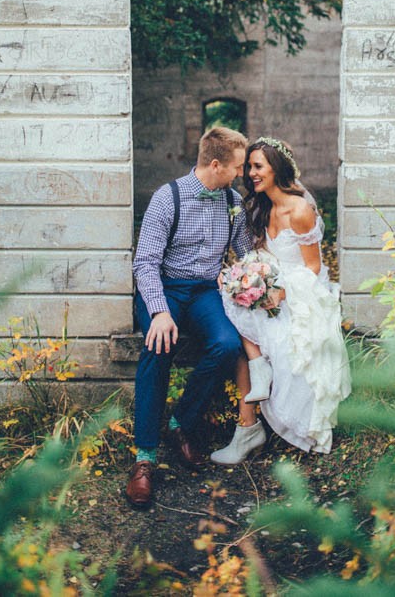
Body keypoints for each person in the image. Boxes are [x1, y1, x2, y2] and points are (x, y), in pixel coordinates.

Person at [126, 126, 254, 508]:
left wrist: (254, 280)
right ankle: (144, 459)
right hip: (164, 287)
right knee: (157, 346)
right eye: (237, 167)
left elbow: (244, 253)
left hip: (205, 291)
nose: (242, 174)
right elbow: (145, 262)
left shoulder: (233, 201)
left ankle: (181, 422)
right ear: (216, 164)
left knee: (227, 345)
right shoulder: (169, 198)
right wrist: (160, 312)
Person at [211, 137, 351, 464]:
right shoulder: (263, 207)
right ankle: (258, 367)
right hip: (272, 279)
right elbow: (262, 254)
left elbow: (313, 267)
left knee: (280, 333)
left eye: (258, 166)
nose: (251, 173)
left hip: (300, 289)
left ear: (277, 168)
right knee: (231, 294)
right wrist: (246, 276)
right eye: (249, 167)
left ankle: (268, 401)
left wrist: (279, 292)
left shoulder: (300, 209)